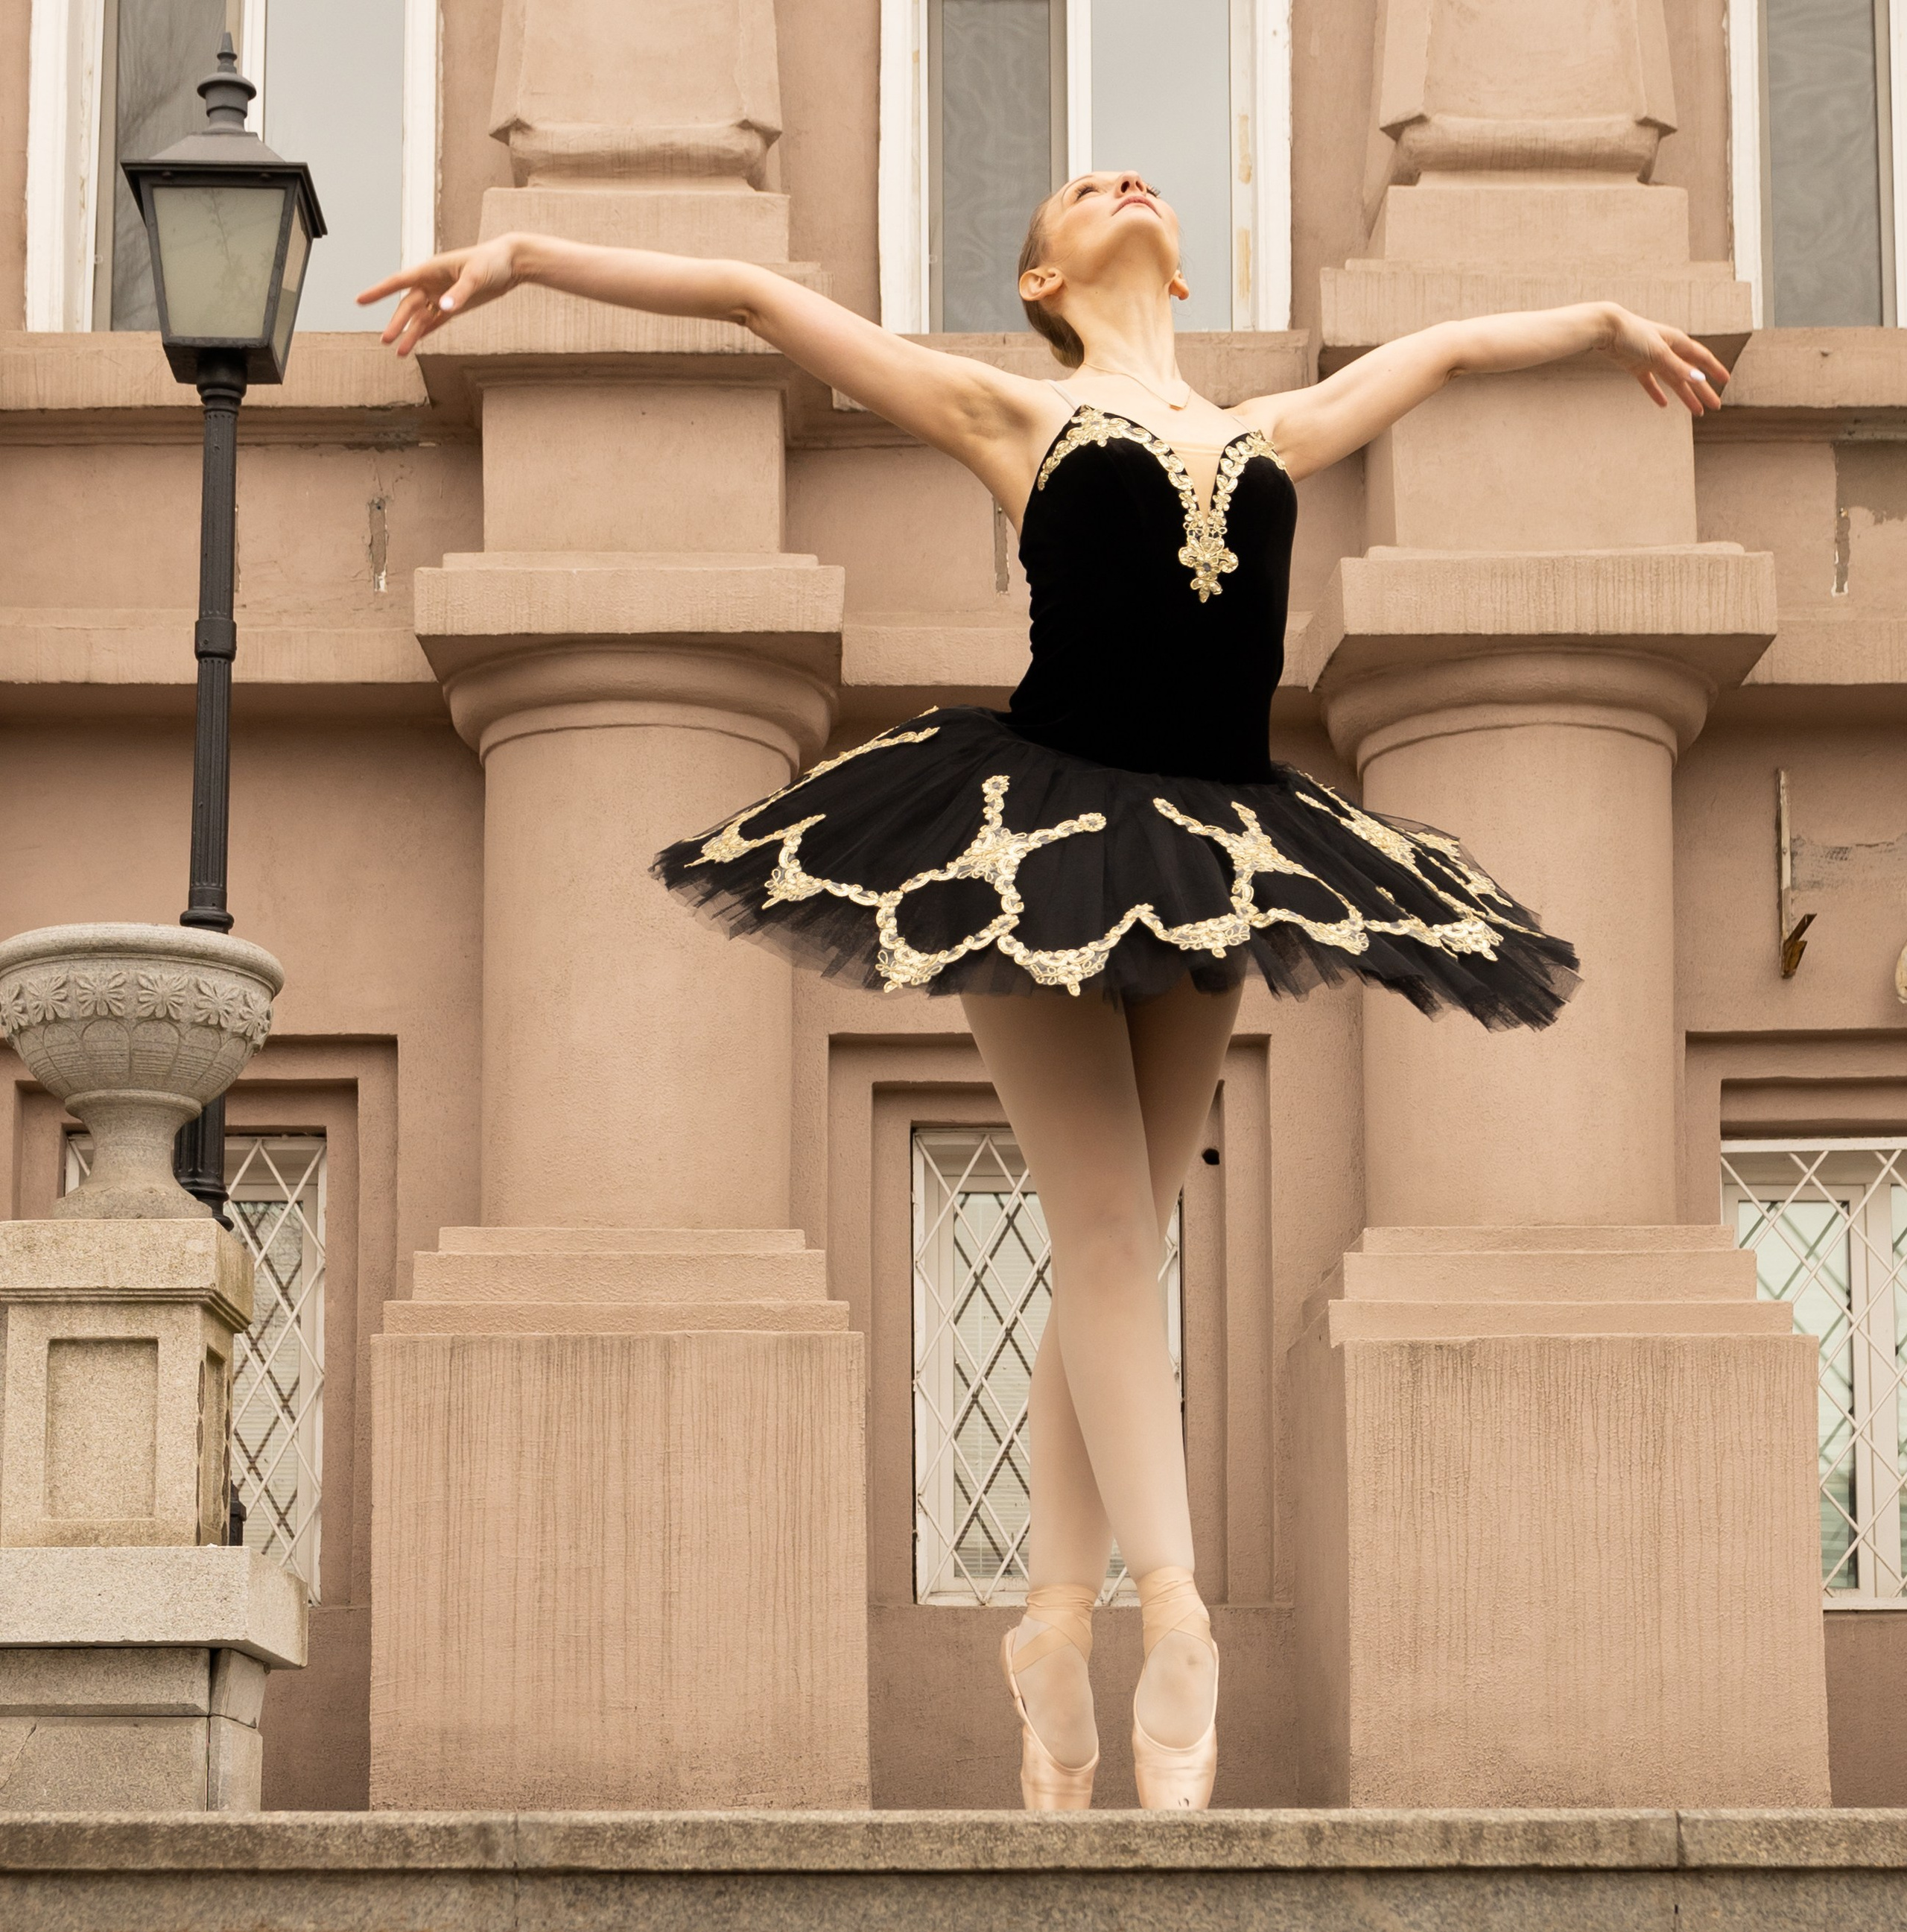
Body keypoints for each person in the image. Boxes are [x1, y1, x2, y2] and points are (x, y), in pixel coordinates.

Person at [363, 174, 1726, 1816]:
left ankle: (1048, 1627)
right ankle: (1177, 1613)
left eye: (1137, 176)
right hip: (1027, 846)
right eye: (1087, 188)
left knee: (1119, 1248)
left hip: (1221, 844)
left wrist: (1592, 321)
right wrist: (521, 253)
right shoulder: (1010, 407)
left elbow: (1433, 353)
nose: (1127, 183)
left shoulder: (1269, 433)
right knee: (1095, 1228)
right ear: (1040, 269)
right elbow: (746, 299)